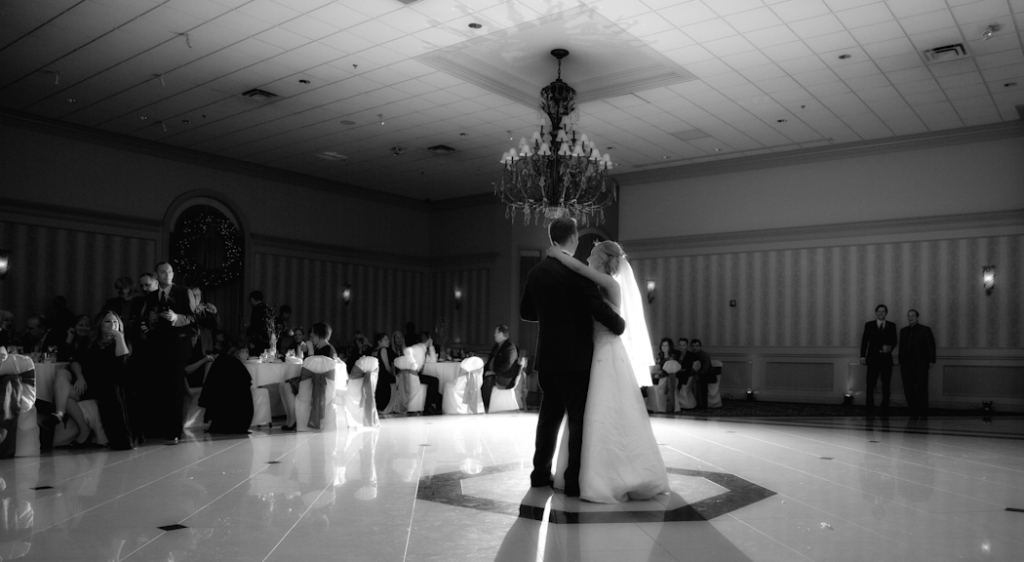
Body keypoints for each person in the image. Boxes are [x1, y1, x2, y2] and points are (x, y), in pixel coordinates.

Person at [540, 238, 669, 503]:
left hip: (607, 354)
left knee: (605, 410)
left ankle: (610, 475)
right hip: (593, 353)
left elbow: (579, 269)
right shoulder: (595, 286)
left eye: (592, 253)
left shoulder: (610, 284)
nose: (588, 257)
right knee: (590, 414)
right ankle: (584, 473)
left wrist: (559, 255)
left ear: (601, 259)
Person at [521, 217, 624, 498]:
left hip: (547, 358)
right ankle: (573, 482)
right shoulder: (579, 274)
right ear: (574, 237)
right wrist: (619, 324)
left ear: (552, 238)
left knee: (548, 418)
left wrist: (550, 315)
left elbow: (526, 312)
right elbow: (598, 310)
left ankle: (539, 474)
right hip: (576, 359)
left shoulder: (536, 272)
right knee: (578, 420)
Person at [57, 311, 139, 450]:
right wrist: (80, 378)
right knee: (64, 393)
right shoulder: (90, 341)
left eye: (115, 322)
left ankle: (120, 438)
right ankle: (82, 428)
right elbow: (76, 360)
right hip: (90, 382)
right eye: (107, 321)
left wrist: (119, 336)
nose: (112, 324)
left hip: (111, 383)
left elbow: (121, 363)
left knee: (110, 389)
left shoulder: (123, 341)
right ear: (100, 324)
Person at [140, 262, 196, 441]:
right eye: (163, 272)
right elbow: (145, 320)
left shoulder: (183, 292)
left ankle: (174, 430)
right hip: (157, 348)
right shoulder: (152, 296)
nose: (167, 275)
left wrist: (176, 317)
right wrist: (150, 321)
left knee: (175, 390)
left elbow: (192, 317)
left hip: (177, 348)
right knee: (159, 388)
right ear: (157, 275)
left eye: (170, 271)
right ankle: (159, 428)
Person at [279, 322, 337, 431]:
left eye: (313, 333)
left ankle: (293, 420)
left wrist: (310, 350)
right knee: (282, 385)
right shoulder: (322, 348)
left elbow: (313, 368)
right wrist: (308, 351)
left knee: (287, 386)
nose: (311, 336)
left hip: (318, 385)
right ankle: (290, 418)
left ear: (319, 334)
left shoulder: (328, 350)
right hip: (315, 381)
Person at [860, 304, 898, 413]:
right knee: (870, 384)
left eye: (883, 311)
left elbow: (894, 340)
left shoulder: (892, 325)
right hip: (872, 359)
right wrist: (862, 356)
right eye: (879, 311)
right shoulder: (869, 325)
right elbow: (864, 341)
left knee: (886, 384)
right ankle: (869, 405)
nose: (881, 313)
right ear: (876, 313)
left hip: (886, 359)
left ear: (886, 313)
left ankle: (885, 406)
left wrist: (890, 347)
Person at [898, 310, 936, 417]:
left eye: (913, 316)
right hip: (906, 365)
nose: (910, 318)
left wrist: (931, 360)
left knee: (922, 388)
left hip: (920, 364)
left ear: (917, 317)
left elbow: (931, 345)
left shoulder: (925, 330)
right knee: (908, 389)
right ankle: (913, 410)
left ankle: (923, 411)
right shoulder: (903, 331)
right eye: (909, 316)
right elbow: (901, 348)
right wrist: (901, 362)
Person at [481, 325, 519, 412]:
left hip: (504, 377)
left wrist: (493, 372)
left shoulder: (510, 347)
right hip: (494, 374)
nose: (494, 335)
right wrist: (483, 371)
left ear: (501, 334)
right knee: (478, 378)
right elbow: (490, 361)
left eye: (496, 333)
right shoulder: (496, 346)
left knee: (486, 380)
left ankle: (486, 406)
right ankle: (479, 405)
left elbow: (508, 364)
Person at [408, 331, 441, 413]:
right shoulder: (421, 350)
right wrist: (431, 345)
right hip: (412, 375)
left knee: (434, 381)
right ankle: (428, 406)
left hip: (411, 374)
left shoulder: (419, 348)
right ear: (429, 339)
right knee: (434, 381)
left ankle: (434, 402)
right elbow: (433, 361)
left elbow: (432, 361)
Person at [685, 339, 712, 410]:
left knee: (702, 381)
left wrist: (697, 375)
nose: (695, 348)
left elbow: (706, 369)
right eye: (693, 346)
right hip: (693, 374)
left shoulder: (705, 355)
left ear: (700, 347)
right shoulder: (690, 355)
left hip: (707, 375)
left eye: (697, 346)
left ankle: (703, 405)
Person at [373, 332, 396, 412]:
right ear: (379, 342)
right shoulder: (383, 350)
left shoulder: (374, 351)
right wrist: (394, 374)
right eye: (385, 339)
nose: (388, 341)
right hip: (383, 378)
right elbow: (387, 367)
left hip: (376, 377)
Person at [246, 290, 273, 356]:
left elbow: (257, 327)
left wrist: (254, 341)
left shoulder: (257, 310)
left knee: (254, 358)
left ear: (252, 299)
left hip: (258, 341)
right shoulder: (268, 309)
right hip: (268, 340)